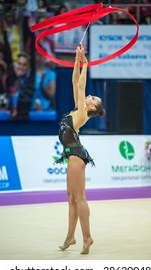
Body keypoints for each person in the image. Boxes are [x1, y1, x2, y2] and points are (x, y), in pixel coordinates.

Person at [54, 44, 106, 254]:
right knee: (70, 198)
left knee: (79, 198)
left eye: (92, 98)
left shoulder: (83, 114)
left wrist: (86, 62)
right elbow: (76, 81)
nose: (88, 96)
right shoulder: (77, 109)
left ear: (92, 107)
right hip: (70, 155)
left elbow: (82, 84)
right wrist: (77, 59)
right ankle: (70, 237)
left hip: (76, 155)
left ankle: (87, 238)